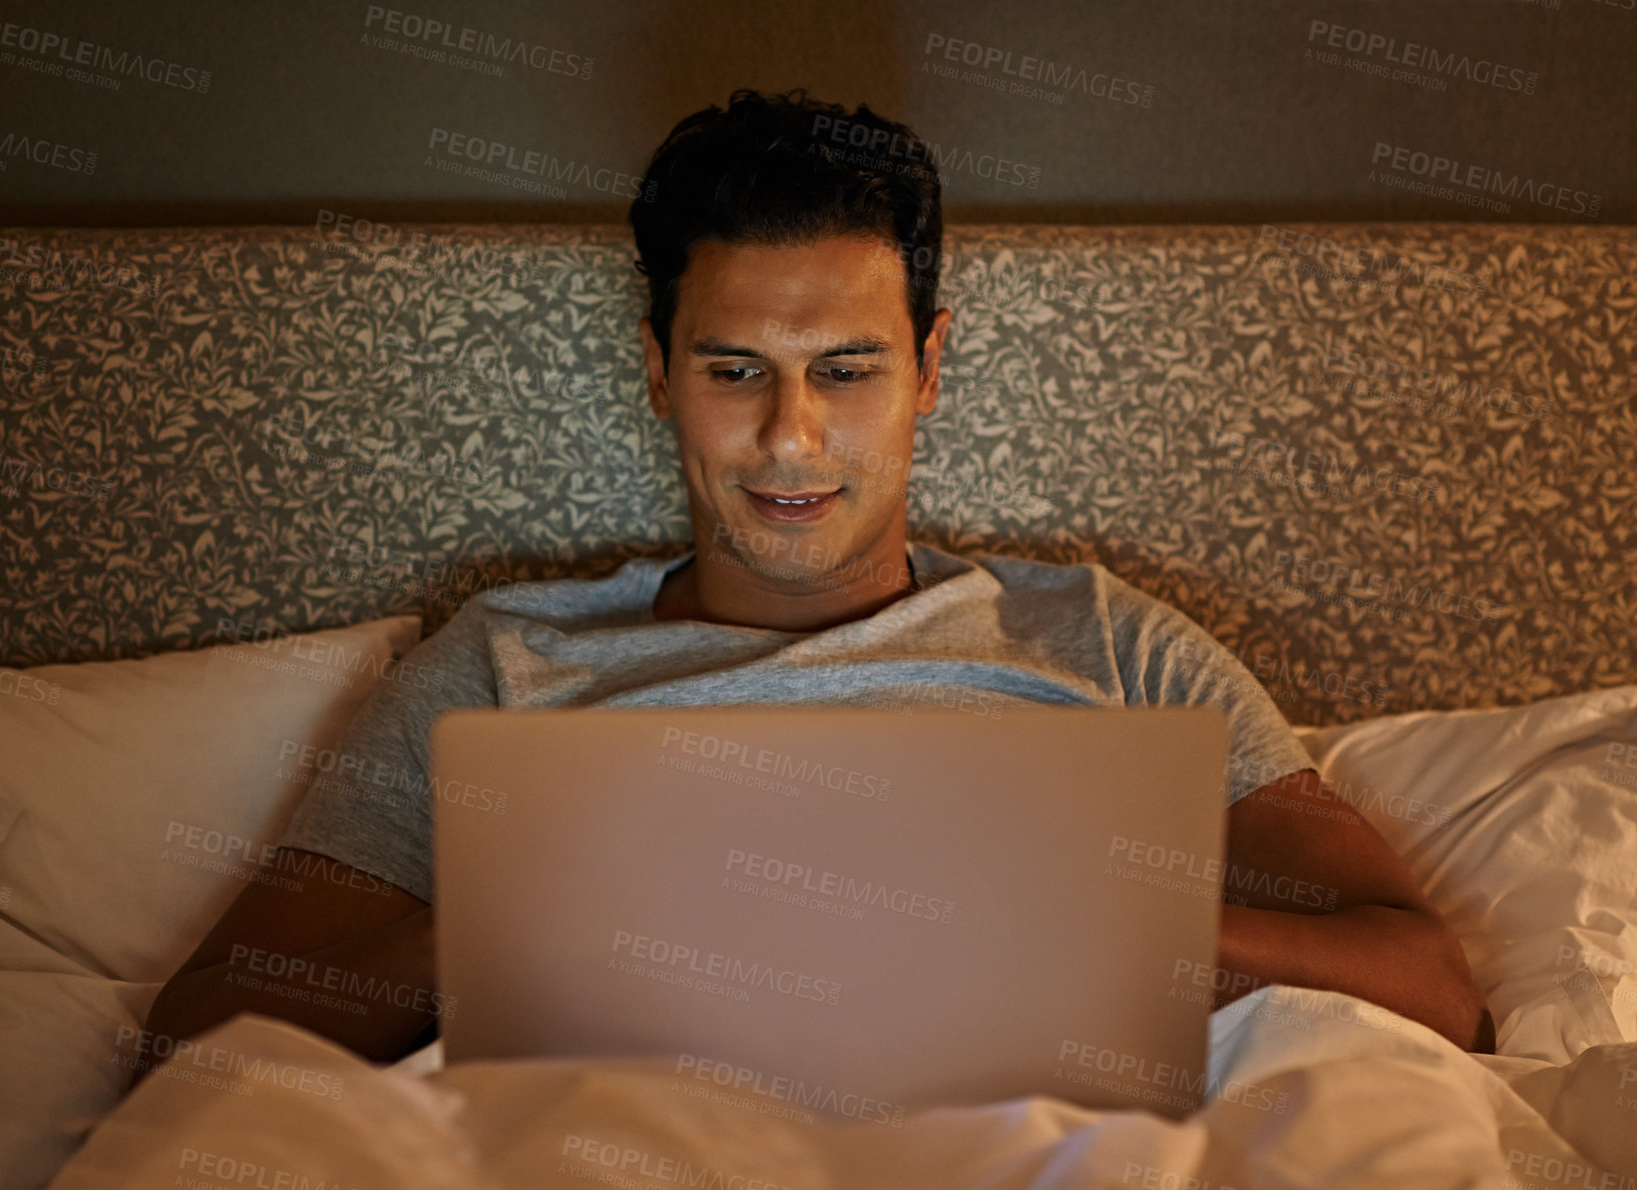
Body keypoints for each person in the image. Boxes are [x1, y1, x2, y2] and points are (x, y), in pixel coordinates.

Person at [139, 88, 1494, 1077]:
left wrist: (1091, 908)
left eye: (845, 369)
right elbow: (196, 1041)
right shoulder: (504, 662)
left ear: (929, 365)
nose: (790, 437)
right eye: (735, 370)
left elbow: (1433, 987)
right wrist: (544, 904)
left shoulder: (1102, 640)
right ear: (658, 369)